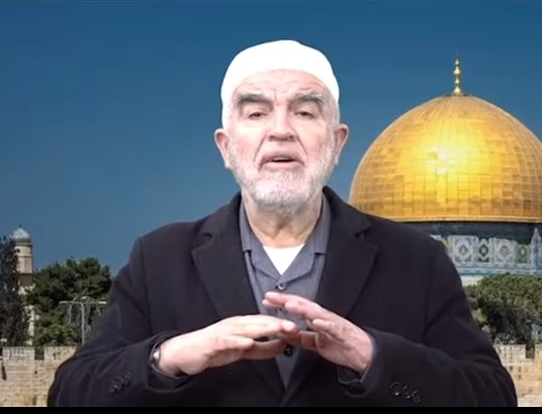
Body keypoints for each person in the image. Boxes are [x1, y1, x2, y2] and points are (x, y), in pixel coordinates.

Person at [47, 39, 517, 407]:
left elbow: (493, 397)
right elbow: (71, 394)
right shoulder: (159, 261)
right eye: (256, 113)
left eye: (305, 111)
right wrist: (170, 357)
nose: (280, 130)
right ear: (225, 146)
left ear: (337, 142)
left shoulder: (416, 261)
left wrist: (373, 357)